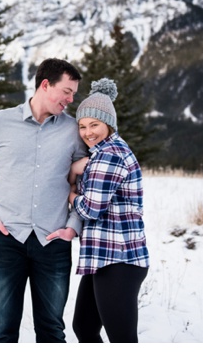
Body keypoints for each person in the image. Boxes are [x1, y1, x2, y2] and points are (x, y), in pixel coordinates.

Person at [0, 58, 89, 343]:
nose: (70, 99)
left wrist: (73, 226)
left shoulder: (72, 130)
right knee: (2, 330)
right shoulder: (0, 122)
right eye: (67, 91)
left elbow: (83, 182)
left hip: (53, 241)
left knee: (52, 330)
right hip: (5, 240)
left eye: (73, 94)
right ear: (45, 85)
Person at [67, 78, 150, 343]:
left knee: (122, 339)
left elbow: (91, 208)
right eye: (82, 126)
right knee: (84, 328)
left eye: (95, 125)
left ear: (109, 125)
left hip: (119, 260)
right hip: (104, 257)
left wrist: (72, 196)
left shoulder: (109, 154)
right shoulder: (102, 152)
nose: (88, 132)